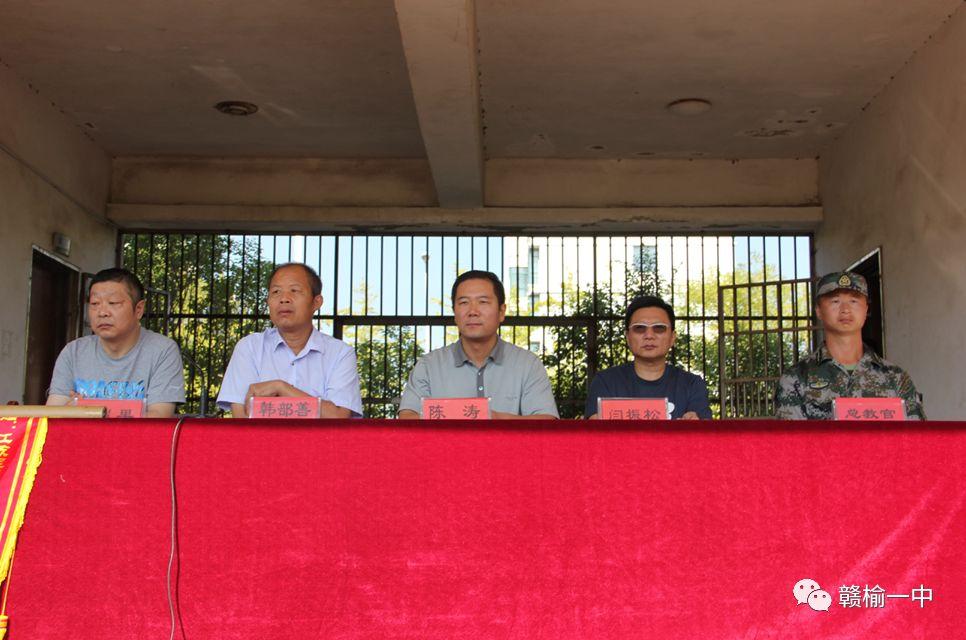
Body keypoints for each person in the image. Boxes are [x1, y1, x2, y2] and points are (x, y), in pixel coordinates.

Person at [398, 270, 558, 419]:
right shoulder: (429, 366)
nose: (473, 311)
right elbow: (407, 418)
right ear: (454, 313)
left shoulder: (527, 364)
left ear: (501, 312)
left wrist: (492, 420)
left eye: (483, 302)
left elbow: (546, 421)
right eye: (464, 302)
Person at [217, 263, 362, 418]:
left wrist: (281, 387)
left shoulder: (340, 353)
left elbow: (339, 417)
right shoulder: (249, 347)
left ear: (316, 302)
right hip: (263, 436)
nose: (284, 299)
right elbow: (241, 416)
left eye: (294, 290)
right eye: (276, 292)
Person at [775, 271, 925, 420]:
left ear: (866, 310)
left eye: (854, 301)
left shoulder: (896, 377)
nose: (845, 310)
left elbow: (917, 433)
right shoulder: (796, 379)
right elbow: (791, 435)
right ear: (819, 311)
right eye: (835, 301)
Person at [46, 268, 185, 417]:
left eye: (113, 303)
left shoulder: (162, 351)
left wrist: (88, 410)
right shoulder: (74, 352)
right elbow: (51, 415)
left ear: (138, 309)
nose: (102, 312)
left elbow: (159, 417)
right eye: (94, 303)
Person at [584, 295, 711, 419]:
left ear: (672, 337)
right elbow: (593, 430)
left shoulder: (692, 385)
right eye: (639, 328)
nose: (649, 335)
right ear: (628, 337)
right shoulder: (606, 382)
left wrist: (696, 426)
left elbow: (705, 431)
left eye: (659, 328)